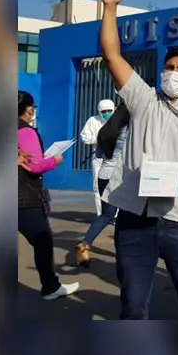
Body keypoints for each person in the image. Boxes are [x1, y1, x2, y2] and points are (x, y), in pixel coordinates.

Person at [97, 0, 178, 320]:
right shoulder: (143, 98)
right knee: (133, 303)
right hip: (134, 217)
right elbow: (111, 55)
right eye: (169, 67)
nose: (173, 74)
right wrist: (110, 7)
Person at [17, 90, 80, 301]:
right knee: (42, 241)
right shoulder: (26, 131)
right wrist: (55, 160)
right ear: (29, 109)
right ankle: (51, 287)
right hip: (24, 197)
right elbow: (34, 166)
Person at [76, 103, 130, 266]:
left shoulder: (105, 130)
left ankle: (85, 244)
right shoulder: (129, 131)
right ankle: (122, 252)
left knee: (107, 214)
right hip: (120, 177)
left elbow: (99, 154)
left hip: (104, 175)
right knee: (125, 215)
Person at [80, 99, 116, 217]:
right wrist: (99, 139)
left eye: (109, 111)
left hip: (115, 158)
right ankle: (102, 214)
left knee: (116, 185)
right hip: (98, 157)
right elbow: (84, 137)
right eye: (104, 111)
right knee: (97, 186)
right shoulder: (93, 121)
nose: (107, 113)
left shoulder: (118, 121)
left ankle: (115, 215)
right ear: (99, 111)